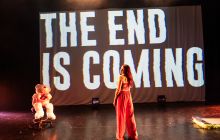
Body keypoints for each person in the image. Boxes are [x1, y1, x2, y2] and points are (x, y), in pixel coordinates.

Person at [113, 64, 138, 140]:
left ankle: (120, 136)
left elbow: (118, 90)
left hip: (122, 97)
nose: (121, 69)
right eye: (121, 68)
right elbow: (128, 88)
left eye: (122, 69)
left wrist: (115, 99)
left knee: (121, 116)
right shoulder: (129, 77)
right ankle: (133, 134)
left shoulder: (121, 77)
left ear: (124, 70)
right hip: (128, 96)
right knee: (130, 116)